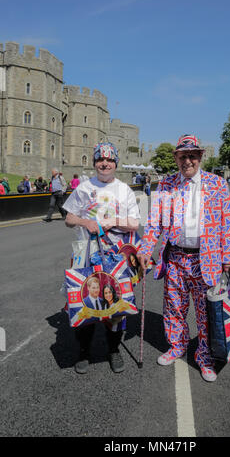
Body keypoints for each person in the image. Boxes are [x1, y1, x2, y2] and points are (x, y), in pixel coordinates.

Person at [137, 134, 230, 383]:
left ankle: (205, 358)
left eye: (193, 155)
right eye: (183, 156)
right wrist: (145, 249)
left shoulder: (216, 184)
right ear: (176, 158)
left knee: (206, 313)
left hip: (207, 258)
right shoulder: (166, 185)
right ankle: (177, 346)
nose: (188, 161)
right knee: (173, 307)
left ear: (200, 157)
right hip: (175, 257)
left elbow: (227, 223)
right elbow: (154, 223)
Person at [62, 141, 140, 374]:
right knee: (83, 302)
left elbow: (134, 223)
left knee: (115, 305)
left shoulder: (124, 190)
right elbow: (68, 219)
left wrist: (112, 222)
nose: (104, 164)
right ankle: (84, 353)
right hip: (84, 254)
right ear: (95, 162)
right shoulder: (84, 188)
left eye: (109, 160)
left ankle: (113, 351)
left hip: (115, 258)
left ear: (115, 163)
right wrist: (87, 222)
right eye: (100, 160)